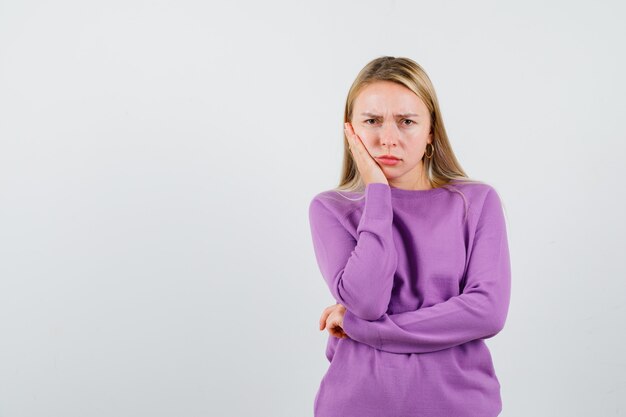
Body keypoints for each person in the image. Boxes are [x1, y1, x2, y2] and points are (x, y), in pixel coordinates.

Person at [308, 56, 512, 417]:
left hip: (458, 407)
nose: (388, 139)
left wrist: (360, 328)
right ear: (350, 130)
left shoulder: (476, 202)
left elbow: (486, 312)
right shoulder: (331, 208)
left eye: (407, 122)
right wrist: (377, 191)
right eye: (371, 121)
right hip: (355, 406)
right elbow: (368, 300)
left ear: (431, 130)